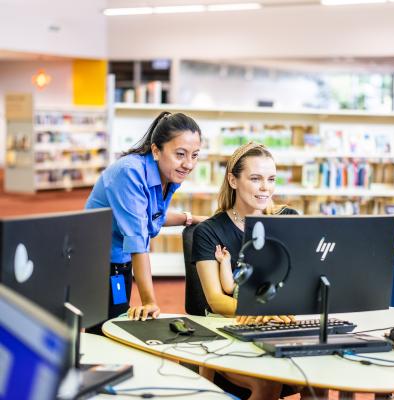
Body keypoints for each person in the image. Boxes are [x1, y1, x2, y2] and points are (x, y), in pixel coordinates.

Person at [192, 142, 311, 400]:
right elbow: (215, 299)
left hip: (282, 327)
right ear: (233, 180)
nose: (265, 187)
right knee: (268, 384)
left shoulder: (289, 219)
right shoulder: (209, 231)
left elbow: (300, 283)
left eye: (271, 179)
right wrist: (260, 313)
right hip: (231, 328)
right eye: (255, 179)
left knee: (318, 376)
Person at [85, 111, 205, 327]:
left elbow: (151, 217)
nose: (188, 164)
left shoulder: (167, 174)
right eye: (180, 154)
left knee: (117, 316)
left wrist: (192, 218)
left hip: (119, 261)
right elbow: (138, 239)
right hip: (98, 262)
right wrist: (149, 301)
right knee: (104, 326)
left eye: (194, 155)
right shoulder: (129, 173)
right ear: (156, 151)